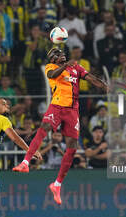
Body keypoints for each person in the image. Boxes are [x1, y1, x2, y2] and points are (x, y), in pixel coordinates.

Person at [13, 47, 108, 205]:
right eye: (58, 54)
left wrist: (104, 86)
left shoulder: (76, 67)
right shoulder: (51, 67)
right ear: (53, 58)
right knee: (44, 129)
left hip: (72, 111)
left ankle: (57, 185)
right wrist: (65, 66)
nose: (62, 54)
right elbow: (52, 75)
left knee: (72, 147)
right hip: (56, 106)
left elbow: (90, 78)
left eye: (62, 53)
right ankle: (25, 163)